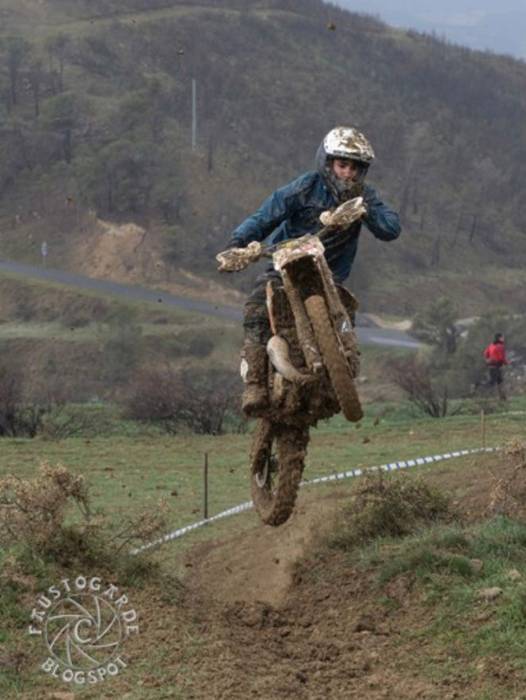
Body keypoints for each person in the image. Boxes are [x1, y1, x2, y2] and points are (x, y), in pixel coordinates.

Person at [226, 126, 401, 416]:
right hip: (285, 266)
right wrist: (238, 242)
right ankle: (255, 382)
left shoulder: (364, 196)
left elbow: (391, 228)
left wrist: (366, 211)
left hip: (331, 276)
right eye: (342, 165)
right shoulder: (305, 187)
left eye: (355, 168)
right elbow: (266, 214)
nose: (348, 173)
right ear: (328, 163)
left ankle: (343, 376)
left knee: (346, 318)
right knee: (256, 307)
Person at [483, 333, 508, 400]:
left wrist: (489, 359)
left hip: (491, 366)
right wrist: (506, 363)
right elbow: (502, 357)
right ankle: (479, 389)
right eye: (502, 337)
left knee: (499, 381)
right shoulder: (500, 346)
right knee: (493, 382)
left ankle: (503, 397)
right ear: (499, 338)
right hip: (497, 366)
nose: (503, 339)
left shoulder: (491, 345)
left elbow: (485, 353)